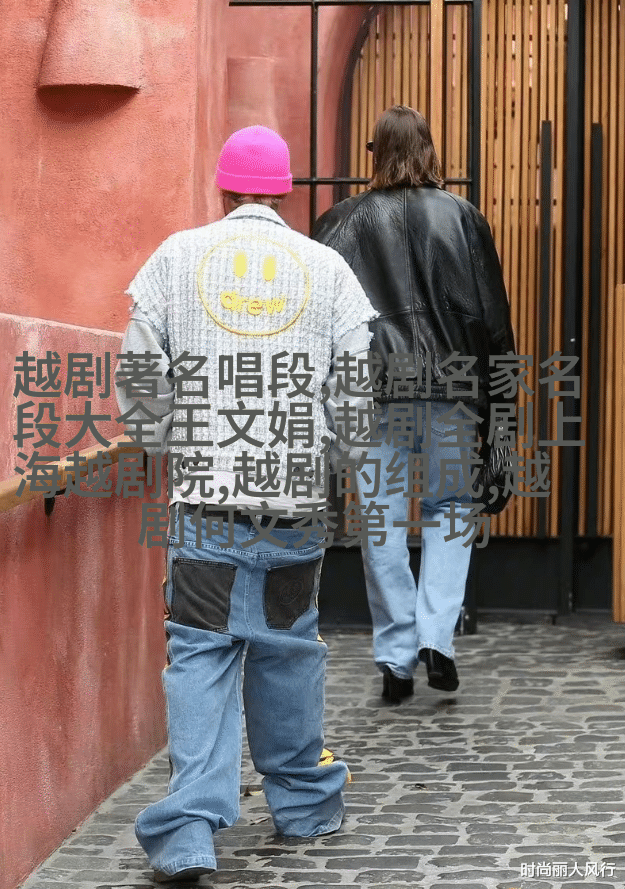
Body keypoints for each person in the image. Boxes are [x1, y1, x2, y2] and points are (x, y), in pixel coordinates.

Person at [115, 125, 377, 882]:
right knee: (289, 649)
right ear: (286, 193)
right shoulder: (327, 270)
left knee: (200, 654)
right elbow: (353, 402)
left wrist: (174, 440)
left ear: (224, 188)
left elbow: (139, 382)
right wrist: (330, 465)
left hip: (205, 501)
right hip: (293, 503)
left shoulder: (175, 258)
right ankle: (303, 804)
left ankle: (188, 830)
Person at [313, 106, 515, 704]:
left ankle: (397, 658)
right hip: (452, 390)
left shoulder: (339, 222)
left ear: (374, 153)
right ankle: (436, 638)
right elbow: (494, 324)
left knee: (380, 517)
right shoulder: (463, 217)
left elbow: (318, 320)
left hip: (373, 392)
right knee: (452, 507)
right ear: (429, 150)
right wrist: (502, 419)